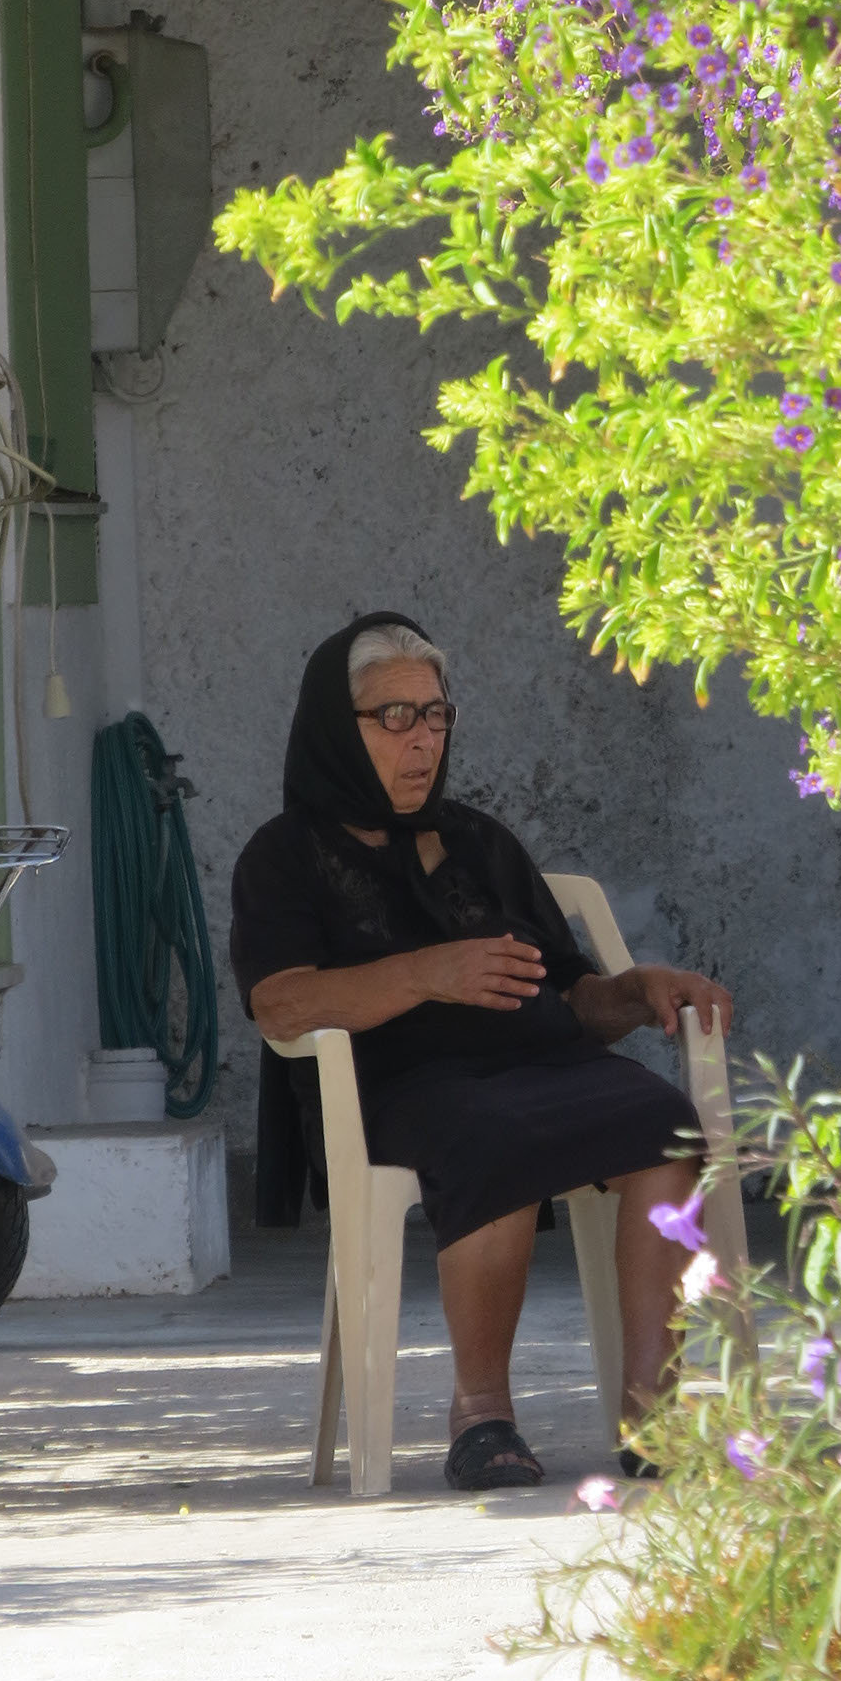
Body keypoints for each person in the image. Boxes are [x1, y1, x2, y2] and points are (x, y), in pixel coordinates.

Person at [230, 610, 733, 1492]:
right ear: (335, 729)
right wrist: (428, 973)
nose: (421, 740)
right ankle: (481, 1413)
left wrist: (639, 986)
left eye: (435, 715)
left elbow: (572, 993)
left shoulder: (480, 843)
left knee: (666, 1122)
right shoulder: (285, 856)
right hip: (404, 1087)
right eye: (395, 717)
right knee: (492, 1132)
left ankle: (655, 1413)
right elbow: (281, 1003)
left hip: (543, 1063)